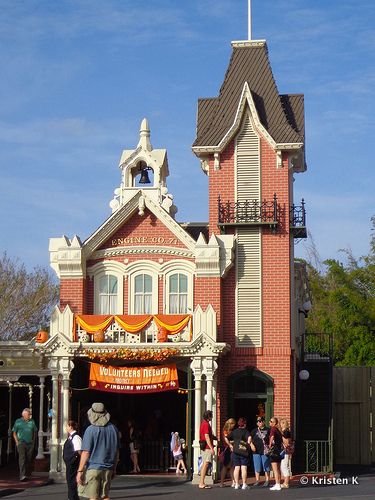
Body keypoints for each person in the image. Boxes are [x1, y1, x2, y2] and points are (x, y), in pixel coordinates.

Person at [77, 403, 120, 500]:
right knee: (104, 496)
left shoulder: (90, 430)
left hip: (93, 467)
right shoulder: (113, 429)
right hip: (108, 467)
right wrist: (114, 468)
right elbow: (117, 451)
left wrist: (80, 471)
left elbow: (86, 452)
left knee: (93, 497)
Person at [225, 417, 251, 490]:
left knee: (236, 467)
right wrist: (248, 445)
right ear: (244, 424)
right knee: (244, 467)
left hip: (235, 450)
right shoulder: (245, 431)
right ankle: (244, 484)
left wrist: (230, 445)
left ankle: (236, 484)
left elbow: (226, 438)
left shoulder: (234, 431)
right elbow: (249, 438)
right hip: (243, 451)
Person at [12, 408, 37, 481]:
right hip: (21, 443)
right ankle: (22, 475)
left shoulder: (32, 422)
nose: (29, 415)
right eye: (28, 414)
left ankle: (25, 474)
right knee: (22, 458)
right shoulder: (18, 421)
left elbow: (34, 431)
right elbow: (14, 432)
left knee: (28, 459)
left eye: (29, 414)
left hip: (30, 443)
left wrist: (33, 442)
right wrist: (17, 442)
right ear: (24, 415)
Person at [249, 416, 271, 487]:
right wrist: (251, 445)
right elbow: (249, 438)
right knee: (257, 465)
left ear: (263, 422)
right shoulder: (254, 431)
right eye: (257, 422)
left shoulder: (268, 430)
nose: (259, 423)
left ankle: (267, 480)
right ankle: (257, 480)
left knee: (266, 465)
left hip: (265, 451)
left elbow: (271, 438)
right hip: (256, 451)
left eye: (260, 421)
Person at [63, 420, 82, 500]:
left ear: (71, 426)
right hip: (69, 463)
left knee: (72, 482)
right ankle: (72, 497)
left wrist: (74, 461)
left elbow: (79, 451)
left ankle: (72, 498)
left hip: (73, 463)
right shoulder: (70, 437)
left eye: (67, 426)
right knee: (70, 481)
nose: (66, 428)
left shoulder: (76, 437)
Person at [198, 410, 215, 489]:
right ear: (208, 417)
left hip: (204, 446)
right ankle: (201, 483)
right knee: (206, 464)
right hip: (207, 447)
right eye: (211, 415)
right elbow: (206, 436)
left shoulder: (203, 424)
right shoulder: (206, 424)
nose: (212, 417)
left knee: (204, 464)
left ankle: (202, 482)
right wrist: (211, 447)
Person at [220, 418, 236, 487]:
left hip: (232, 449)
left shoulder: (231, 431)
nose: (233, 426)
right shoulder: (225, 431)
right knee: (226, 466)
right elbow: (226, 440)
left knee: (232, 466)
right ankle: (221, 482)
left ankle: (233, 481)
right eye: (233, 425)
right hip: (227, 449)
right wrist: (234, 441)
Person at [268, 416, 283, 491]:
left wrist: (270, 444)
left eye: (270, 421)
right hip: (279, 450)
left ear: (274, 423)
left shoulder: (273, 429)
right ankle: (278, 483)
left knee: (275, 469)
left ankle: (277, 484)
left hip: (274, 450)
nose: (269, 422)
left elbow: (272, 436)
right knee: (278, 468)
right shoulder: (278, 430)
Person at [279, 418, 292, 489]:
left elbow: (288, 441)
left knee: (284, 466)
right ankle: (285, 482)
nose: (280, 425)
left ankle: (286, 482)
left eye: (281, 423)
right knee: (282, 466)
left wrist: (281, 437)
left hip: (286, 450)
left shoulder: (287, 432)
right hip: (283, 450)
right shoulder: (284, 431)